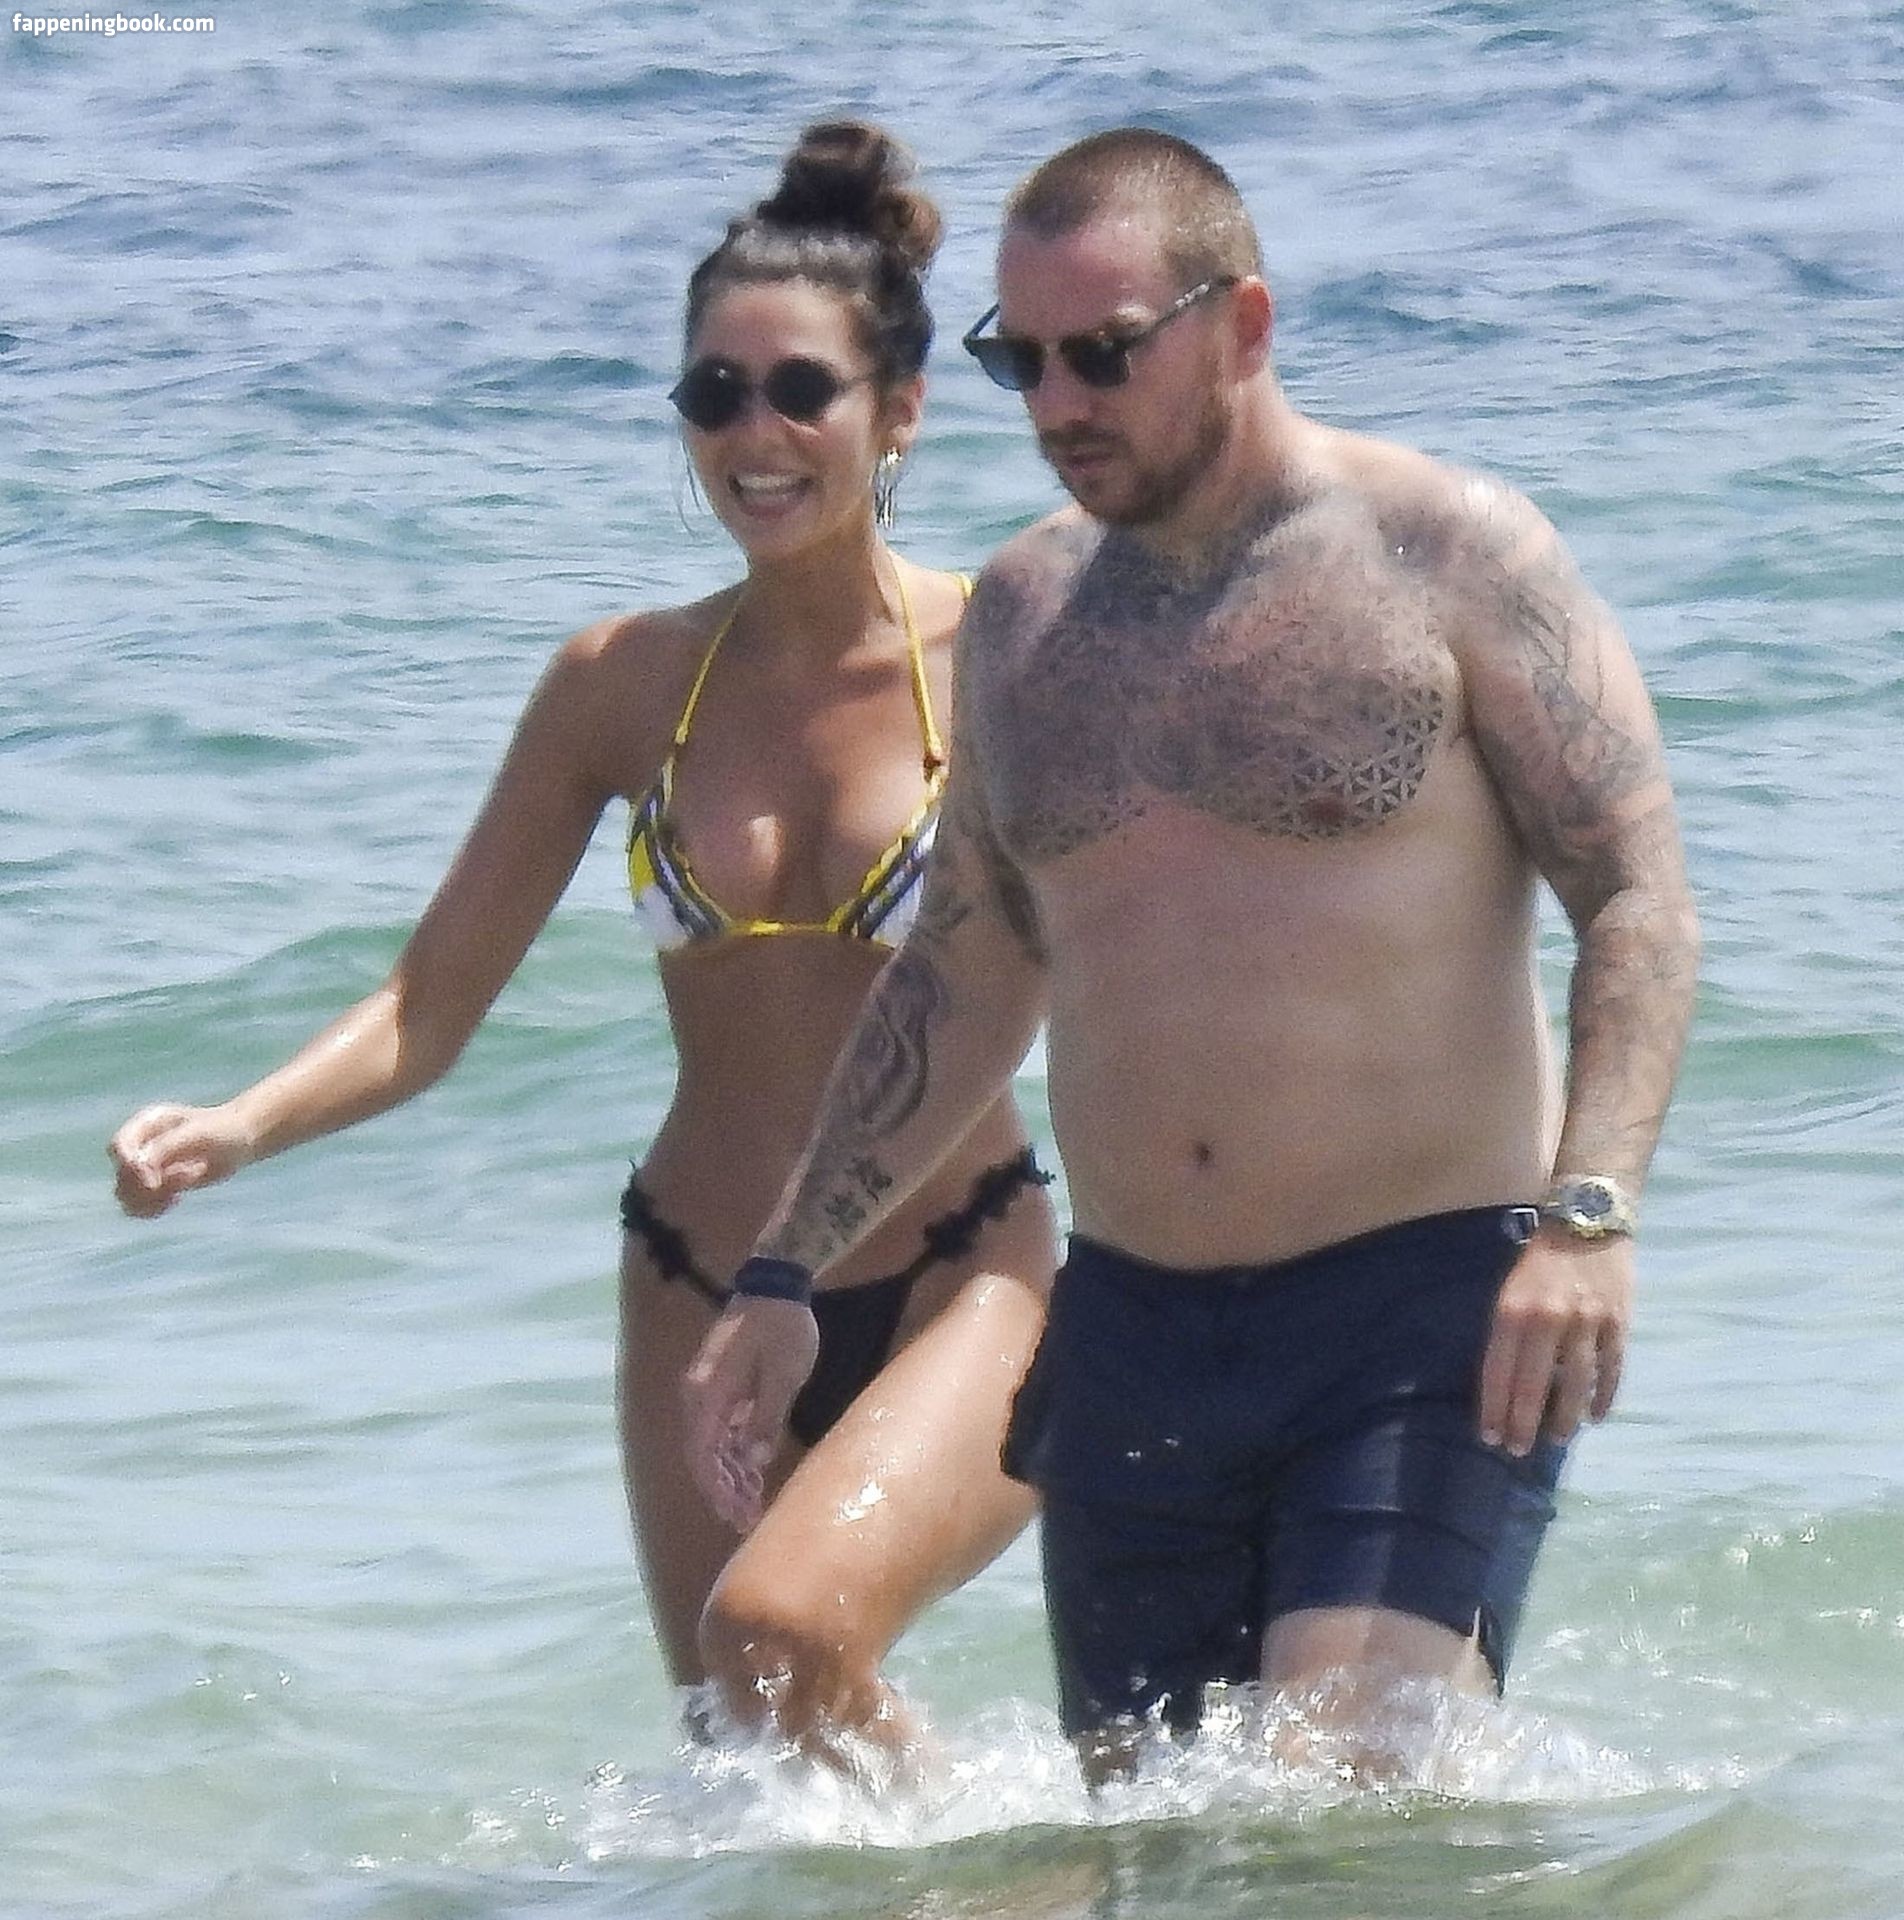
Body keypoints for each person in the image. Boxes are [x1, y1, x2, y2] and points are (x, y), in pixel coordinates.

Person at [685, 128, 1700, 1777]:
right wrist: (788, 1268)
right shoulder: (1024, 617)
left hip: (1418, 1314)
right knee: (1163, 1846)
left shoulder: (1447, 552)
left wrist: (1589, 1215)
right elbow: (965, 971)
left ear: (1242, 325)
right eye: (1021, 361)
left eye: (1103, 353)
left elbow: (1636, 893)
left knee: (1333, 1800)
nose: (1058, 403)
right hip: (1133, 1331)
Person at [107, 121, 1058, 1761]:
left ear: (899, 409)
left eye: (800, 391)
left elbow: (1171, 944)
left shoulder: (1012, 658)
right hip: (694, 1280)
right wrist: (239, 1125)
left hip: (961, 1270)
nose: (752, 434)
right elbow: (428, 1002)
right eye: (713, 394)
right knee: (747, 1751)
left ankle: (1022, 1863)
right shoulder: (619, 686)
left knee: (780, 1634)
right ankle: (1007, 1862)